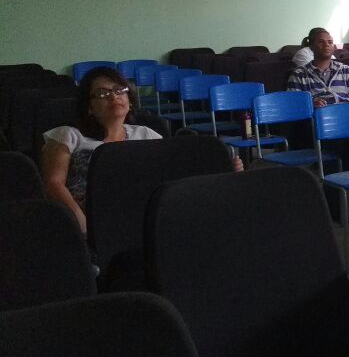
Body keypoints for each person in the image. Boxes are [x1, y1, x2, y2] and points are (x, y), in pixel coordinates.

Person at [40, 67, 242, 234]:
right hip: (94, 218)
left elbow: (177, 172)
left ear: (129, 100)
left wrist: (224, 169)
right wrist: (83, 225)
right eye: (102, 93)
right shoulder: (69, 135)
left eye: (120, 90)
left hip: (146, 214)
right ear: (89, 107)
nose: (114, 97)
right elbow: (53, 184)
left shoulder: (145, 133)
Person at [287, 28, 349, 107]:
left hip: (344, 114)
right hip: (316, 116)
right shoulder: (299, 74)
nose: (327, 45)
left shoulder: (345, 70)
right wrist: (310, 103)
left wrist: (347, 103)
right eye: (321, 42)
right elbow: (292, 101)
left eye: (330, 42)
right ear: (311, 47)